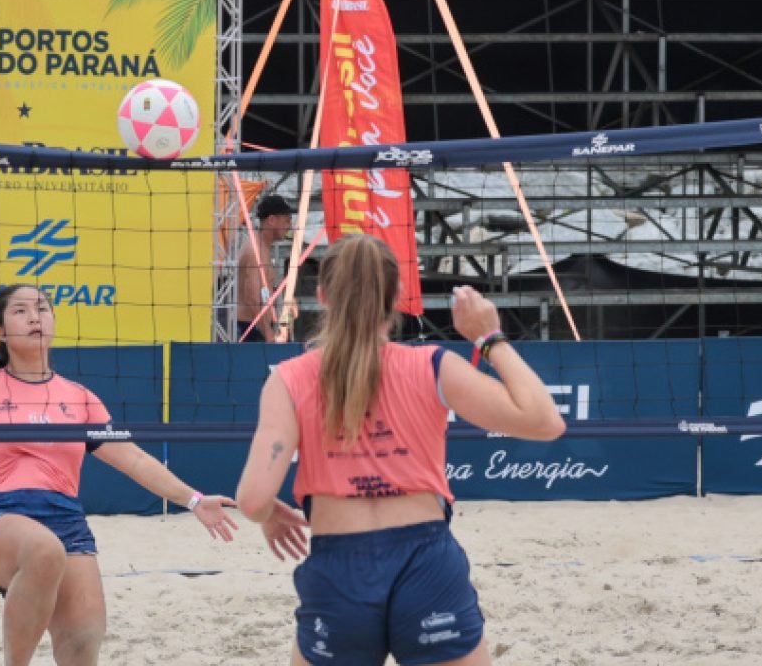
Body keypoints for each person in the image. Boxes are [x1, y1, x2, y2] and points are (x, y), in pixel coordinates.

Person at [235, 234, 565, 666]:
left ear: (320, 296)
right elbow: (546, 422)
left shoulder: (289, 379)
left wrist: (266, 515)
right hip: (425, 564)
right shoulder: (431, 366)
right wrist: (489, 338)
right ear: (396, 298)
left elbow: (253, 500)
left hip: (339, 567)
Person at [0, 283, 239, 666]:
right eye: (20, 310)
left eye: (42, 308)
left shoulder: (78, 397)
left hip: (66, 518)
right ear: (0, 331)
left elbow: (134, 460)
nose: (35, 316)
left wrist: (193, 499)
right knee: (43, 550)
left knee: (84, 641)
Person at [236, 193, 294, 343]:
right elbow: (252, 297)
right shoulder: (255, 250)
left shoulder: (263, 247)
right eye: (287, 221)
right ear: (272, 220)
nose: (289, 226)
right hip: (250, 330)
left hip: (256, 327)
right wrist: (268, 334)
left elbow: (262, 294)